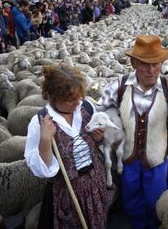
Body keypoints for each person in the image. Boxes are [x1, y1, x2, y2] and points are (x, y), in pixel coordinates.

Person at [98, 35, 168, 229]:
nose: (152, 70)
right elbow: (101, 112)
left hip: (156, 160)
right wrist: (110, 128)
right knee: (131, 201)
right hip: (128, 159)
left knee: (156, 202)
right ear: (133, 63)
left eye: (156, 64)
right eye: (145, 64)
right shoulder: (119, 86)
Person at [24, 64, 115, 228]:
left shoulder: (86, 107)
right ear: (52, 96)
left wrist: (98, 138)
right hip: (69, 194)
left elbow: (94, 145)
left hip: (97, 182)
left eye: (79, 97)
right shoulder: (40, 122)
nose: (76, 104)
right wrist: (45, 140)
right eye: (70, 99)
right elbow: (42, 171)